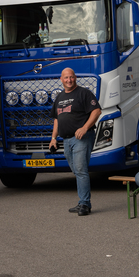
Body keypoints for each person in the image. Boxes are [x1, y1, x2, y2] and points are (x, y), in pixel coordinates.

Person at [50, 68, 101, 216]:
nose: (69, 80)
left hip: (81, 138)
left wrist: (85, 128)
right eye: (66, 78)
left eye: (71, 77)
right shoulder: (59, 97)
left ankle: (85, 204)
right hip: (66, 140)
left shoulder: (84, 93)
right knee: (77, 171)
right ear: (61, 79)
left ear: (75, 78)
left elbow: (96, 111)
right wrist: (53, 138)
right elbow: (56, 119)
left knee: (80, 170)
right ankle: (82, 202)